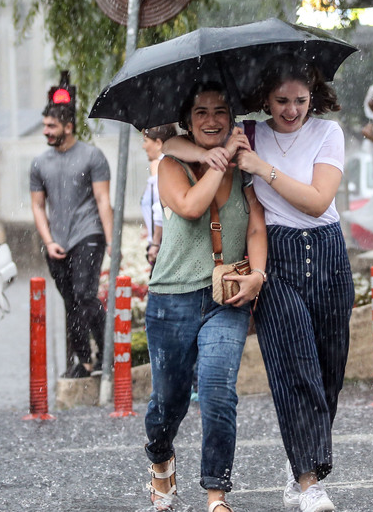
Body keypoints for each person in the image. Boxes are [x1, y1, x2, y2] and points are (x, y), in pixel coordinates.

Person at [167, 54, 355, 512]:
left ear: (314, 97)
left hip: (328, 252)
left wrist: (259, 167)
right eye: (281, 101)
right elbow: (173, 144)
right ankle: (311, 483)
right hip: (279, 257)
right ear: (265, 100)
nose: (291, 110)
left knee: (328, 376)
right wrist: (211, 152)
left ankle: (300, 467)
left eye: (301, 100)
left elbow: (317, 201)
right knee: (296, 372)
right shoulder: (247, 132)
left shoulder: (328, 133)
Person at [142, 81, 267, 512]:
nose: (212, 120)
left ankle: (216, 493)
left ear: (232, 118)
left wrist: (258, 275)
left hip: (225, 299)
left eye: (220, 111)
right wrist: (216, 161)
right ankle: (160, 459)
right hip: (170, 300)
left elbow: (255, 227)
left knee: (217, 391)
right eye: (201, 112)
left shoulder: (246, 167)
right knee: (167, 404)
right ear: (187, 121)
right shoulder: (171, 164)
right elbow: (193, 206)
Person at [29, 98, 113, 378]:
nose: (46, 131)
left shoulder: (92, 156)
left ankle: (106, 353)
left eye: (51, 126)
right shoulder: (39, 163)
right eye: (44, 126)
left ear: (68, 126)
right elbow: (38, 207)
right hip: (57, 241)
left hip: (88, 234)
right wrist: (49, 240)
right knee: (71, 303)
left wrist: (111, 241)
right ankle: (85, 362)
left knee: (85, 295)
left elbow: (103, 200)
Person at [141, 124, 177, 267]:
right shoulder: (173, 162)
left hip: (162, 246)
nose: (143, 147)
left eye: (145, 141)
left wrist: (155, 243)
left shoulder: (159, 164)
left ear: (158, 143)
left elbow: (159, 207)